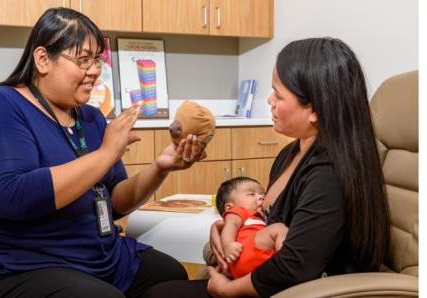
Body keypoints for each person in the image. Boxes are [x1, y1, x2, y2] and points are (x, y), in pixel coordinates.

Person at [0, 7, 207, 298]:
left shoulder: (91, 118)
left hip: (92, 256)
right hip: (16, 266)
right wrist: (106, 153)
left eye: (97, 60)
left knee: (169, 275)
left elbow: (113, 203)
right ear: (43, 59)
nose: (94, 70)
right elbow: (13, 197)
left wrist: (160, 167)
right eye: (83, 60)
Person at [142, 37, 391, 297]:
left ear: (314, 109)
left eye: (278, 94)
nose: (269, 100)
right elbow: (267, 219)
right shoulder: (290, 153)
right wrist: (228, 228)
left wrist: (228, 290)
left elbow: (293, 267)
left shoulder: (328, 174)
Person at [214, 176, 288, 279]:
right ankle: (288, 261)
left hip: (258, 264)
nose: (261, 197)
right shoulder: (239, 211)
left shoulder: (261, 216)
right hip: (244, 254)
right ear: (229, 207)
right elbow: (231, 226)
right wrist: (228, 244)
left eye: (263, 194)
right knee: (279, 228)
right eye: (251, 194)